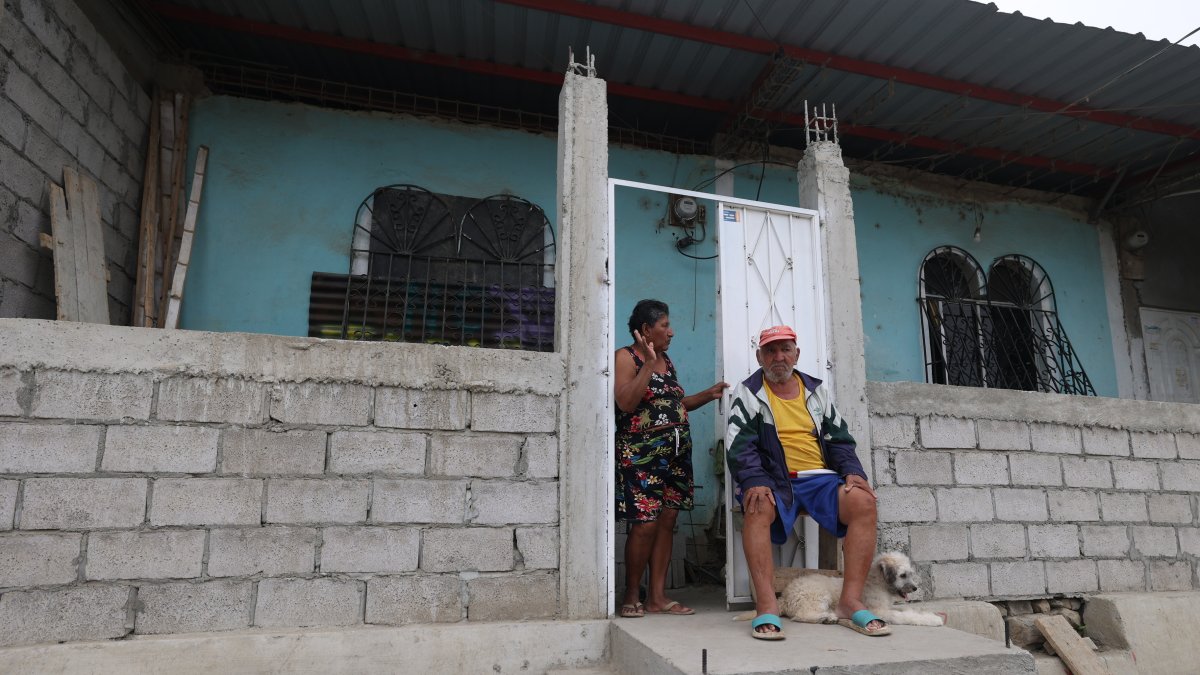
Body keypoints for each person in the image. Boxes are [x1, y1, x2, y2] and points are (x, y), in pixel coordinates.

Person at [726, 325, 882, 640]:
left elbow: (839, 439)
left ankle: (850, 602)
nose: (778, 357)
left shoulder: (816, 391)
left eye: (785, 350)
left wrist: (852, 471)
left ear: (796, 354)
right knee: (756, 505)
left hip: (819, 480)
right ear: (760, 357)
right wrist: (754, 480)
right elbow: (739, 446)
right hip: (775, 480)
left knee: (863, 501)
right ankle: (767, 604)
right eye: (770, 351)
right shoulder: (748, 392)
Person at [614, 299, 728, 618]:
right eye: (665, 325)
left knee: (667, 521)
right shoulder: (626, 357)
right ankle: (632, 594)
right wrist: (648, 365)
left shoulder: (668, 361)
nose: (671, 332)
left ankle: (657, 597)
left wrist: (707, 395)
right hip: (642, 456)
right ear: (646, 329)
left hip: (676, 454)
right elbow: (626, 402)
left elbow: (671, 406)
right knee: (645, 523)